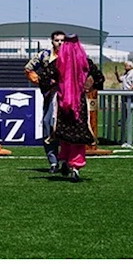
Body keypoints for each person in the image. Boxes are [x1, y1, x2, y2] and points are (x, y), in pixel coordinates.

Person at [25, 30, 104, 174]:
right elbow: (99, 78)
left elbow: (44, 77)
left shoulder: (58, 62)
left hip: (62, 102)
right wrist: (87, 87)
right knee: (78, 133)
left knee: (64, 132)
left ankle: (64, 160)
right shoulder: (85, 62)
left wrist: (53, 84)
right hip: (79, 103)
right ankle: (75, 164)